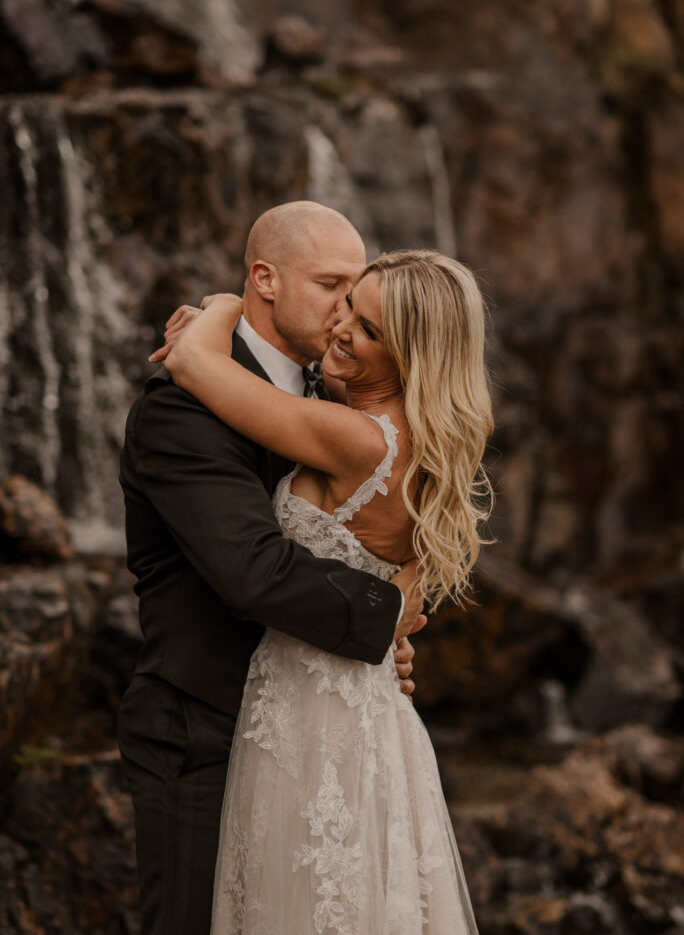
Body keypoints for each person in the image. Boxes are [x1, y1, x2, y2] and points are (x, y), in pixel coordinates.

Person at [162, 248, 494, 934]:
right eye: (347, 306)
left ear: (412, 356)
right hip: (368, 708)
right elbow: (390, 587)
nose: (342, 330)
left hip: (311, 713)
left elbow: (192, 365)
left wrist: (224, 308)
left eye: (370, 331)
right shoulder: (420, 443)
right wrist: (393, 622)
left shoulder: (356, 439)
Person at [117, 202, 424, 935]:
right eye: (330, 285)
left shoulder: (335, 396)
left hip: (313, 733)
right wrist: (387, 618)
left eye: (356, 295)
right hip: (203, 732)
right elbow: (251, 571)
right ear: (264, 279)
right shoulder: (180, 409)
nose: (346, 313)